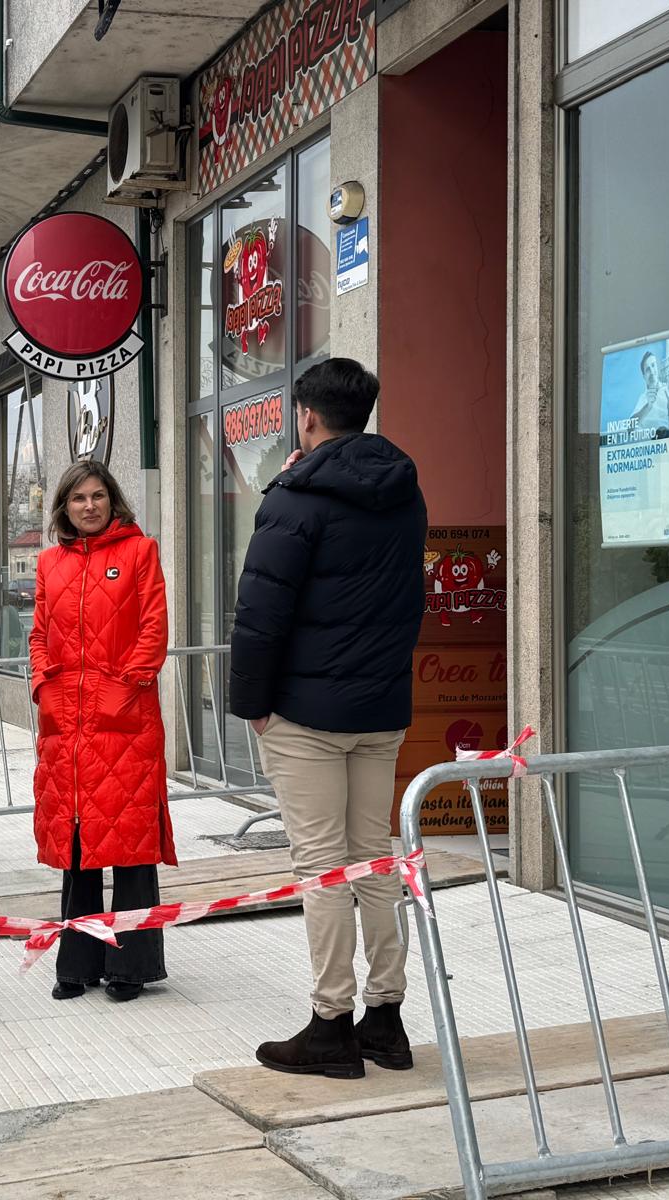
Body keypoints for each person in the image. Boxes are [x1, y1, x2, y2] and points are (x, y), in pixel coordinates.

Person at [229, 357, 427, 1080]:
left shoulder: (294, 496)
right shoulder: (405, 493)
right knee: (374, 859)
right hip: (380, 707)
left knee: (321, 867)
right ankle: (387, 1017)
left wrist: (250, 703)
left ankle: (330, 1025)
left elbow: (260, 612)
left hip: (309, 714)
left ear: (307, 417)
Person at [29, 461, 174, 1002]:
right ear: (63, 507)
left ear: (113, 501)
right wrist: (43, 686)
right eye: (78, 499)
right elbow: (39, 633)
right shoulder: (50, 562)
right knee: (77, 841)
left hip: (126, 721)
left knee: (130, 845)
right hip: (67, 723)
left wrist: (127, 686)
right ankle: (77, 963)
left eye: (98, 496)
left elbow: (154, 629)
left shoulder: (140, 552)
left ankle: (131, 967)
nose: (89, 506)